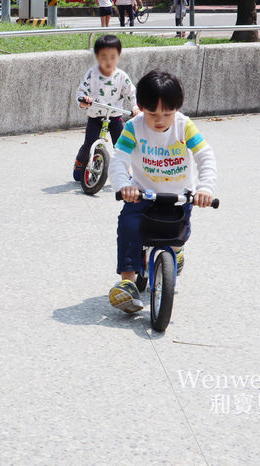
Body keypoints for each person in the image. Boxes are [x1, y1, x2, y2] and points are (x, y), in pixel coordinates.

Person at [107, 70, 217, 313]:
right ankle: (127, 282)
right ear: (140, 107)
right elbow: (119, 159)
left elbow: (204, 155)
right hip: (142, 194)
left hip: (178, 197)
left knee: (178, 235)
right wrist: (123, 186)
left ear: (176, 108)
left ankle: (176, 253)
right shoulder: (133, 128)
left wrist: (205, 188)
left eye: (167, 113)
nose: (160, 120)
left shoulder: (184, 126)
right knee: (129, 227)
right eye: (152, 113)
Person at [73, 35, 138, 182]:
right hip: (96, 117)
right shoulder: (92, 74)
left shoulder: (122, 76)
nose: (108, 61)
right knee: (89, 144)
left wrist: (135, 107)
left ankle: (123, 170)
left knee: (121, 146)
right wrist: (84, 101)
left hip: (115, 117)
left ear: (118, 56)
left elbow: (132, 93)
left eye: (112, 57)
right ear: (97, 56)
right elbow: (81, 92)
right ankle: (79, 163)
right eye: (103, 57)